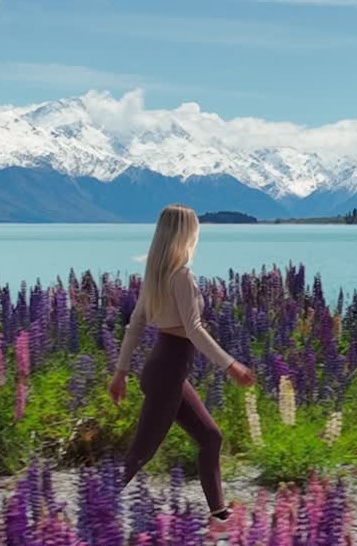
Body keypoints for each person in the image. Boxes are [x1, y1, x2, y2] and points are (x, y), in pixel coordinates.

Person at [109, 204, 255, 529]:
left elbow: (135, 326)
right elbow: (193, 329)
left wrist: (120, 373)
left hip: (164, 369)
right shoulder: (181, 276)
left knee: (211, 438)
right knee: (139, 453)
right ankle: (96, 508)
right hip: (169, 373)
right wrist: (229, 365)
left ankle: (218, 515)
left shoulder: (156, 275)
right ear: (185, 235)